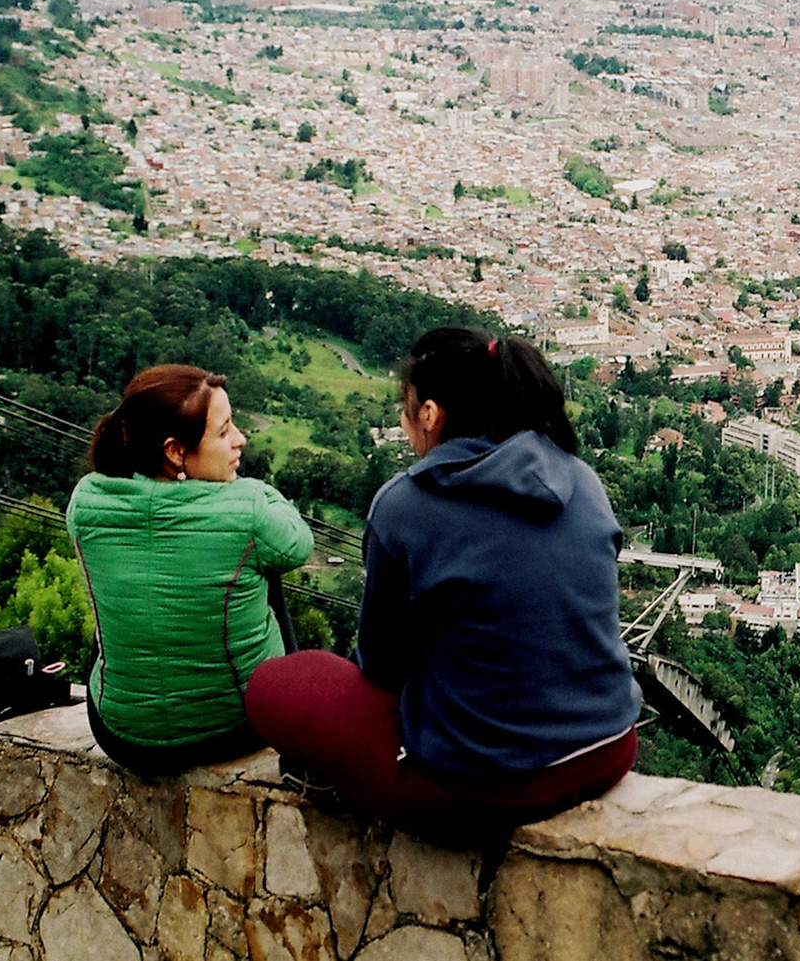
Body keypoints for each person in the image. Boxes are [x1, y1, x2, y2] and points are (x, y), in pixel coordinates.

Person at [246, 328, 640, 834]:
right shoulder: (578, 476)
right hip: (607, 748)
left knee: (276, 685)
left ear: (429, 413)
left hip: (490, 787)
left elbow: (383, 668)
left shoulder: (407, 504)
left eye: (405, 407)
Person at [69, 364, 312, 773]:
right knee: (265, 566)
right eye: (224, 432)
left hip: (122, 735)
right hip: (236, 727)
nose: (240, 440)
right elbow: (298, 544)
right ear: (175, 451)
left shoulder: (85, 502)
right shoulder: (249, 509)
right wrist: (253, 489)